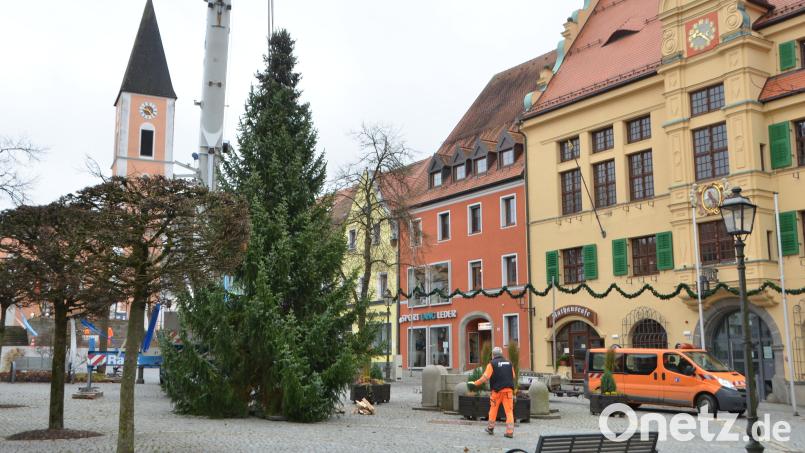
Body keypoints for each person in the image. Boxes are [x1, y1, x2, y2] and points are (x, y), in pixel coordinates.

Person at [471, 346, 516, 438]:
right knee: (509, 412)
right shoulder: (509, 363)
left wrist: (475, 383)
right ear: (501, 354)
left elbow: (485, 377)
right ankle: (510, 432)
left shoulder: (492, 364)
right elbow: (513, 376)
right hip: (508, 391)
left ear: (493, 355)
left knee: (493, 410)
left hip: (497, 391)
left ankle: (490, 428)